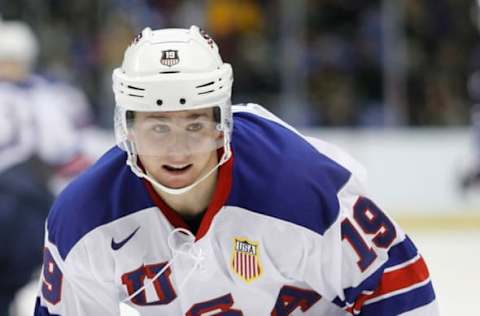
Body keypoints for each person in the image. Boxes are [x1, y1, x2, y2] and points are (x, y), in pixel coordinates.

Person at [34, 25, 438, 315]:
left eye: (194, 124)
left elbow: (401, 290)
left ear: (221, 125)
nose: (177, 148)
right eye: (158, 127)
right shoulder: (83, 218)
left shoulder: (301, 187)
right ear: (129, 130)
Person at [0, 18, 91, 315]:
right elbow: (70, 152)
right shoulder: (54, 95)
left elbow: (68, 154)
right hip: (36, 202)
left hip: (32, 205)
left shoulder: (52, 96)